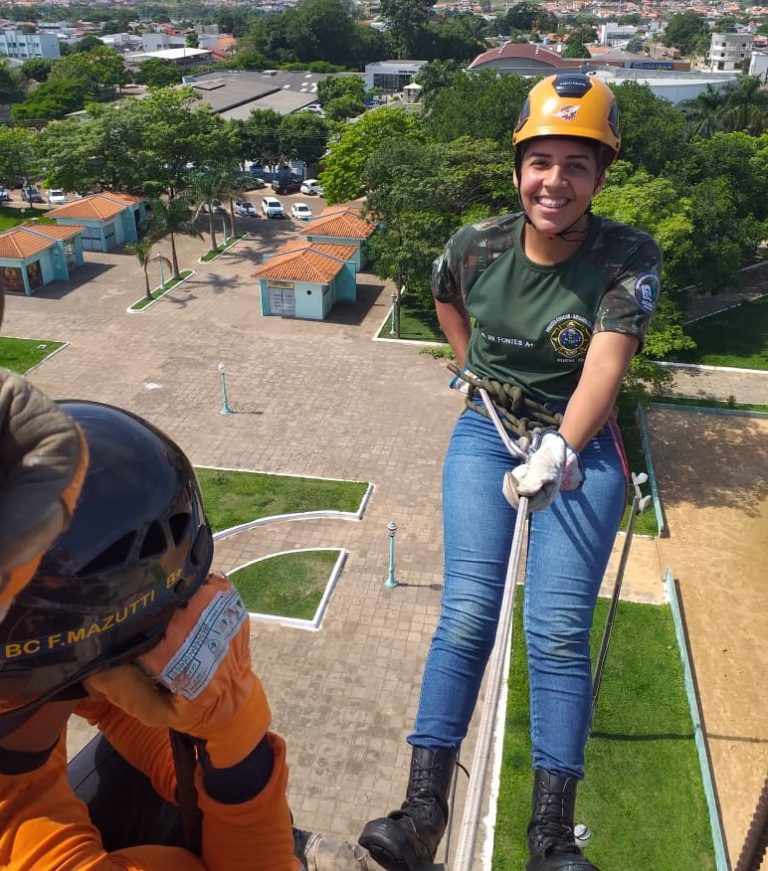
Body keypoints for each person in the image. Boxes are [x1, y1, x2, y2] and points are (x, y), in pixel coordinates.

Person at [359, 72, 662, 871]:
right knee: (467, 613)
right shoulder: (477, 246)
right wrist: (473, 366)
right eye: (541, 162)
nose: (555, 182)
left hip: (580, 445)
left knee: (556, 630)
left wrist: (560, 447)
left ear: (600, 177)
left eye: (577, 166)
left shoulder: (626, 255)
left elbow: (606, 365)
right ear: (518, 167)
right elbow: (444, 296)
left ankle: (551, 836)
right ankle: (422, 810)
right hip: (489, 433)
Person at [0, 391, 369, 871]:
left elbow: (103, 700)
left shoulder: (28, 690)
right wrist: (236, 741)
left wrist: (208, 770)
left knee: (185, 772)